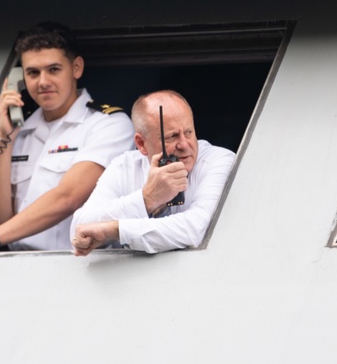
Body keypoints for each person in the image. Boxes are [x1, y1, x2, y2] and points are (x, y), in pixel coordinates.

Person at [0, 22, 135, 280]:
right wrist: (6, 140)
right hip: (16, 269)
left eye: (53, 69)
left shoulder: (108, 124)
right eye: (33, 73)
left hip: (81, 271)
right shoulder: (21, 131)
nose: (43, 82)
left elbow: (67, 197)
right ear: (21, 79)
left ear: (76, 68)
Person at [70, 90, 235, 255]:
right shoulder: (124, 166)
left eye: (189, 132)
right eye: (172, 136)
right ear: (141, 144)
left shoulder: (218, 160)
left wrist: (117, 229)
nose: (184, 145)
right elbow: (79, 231)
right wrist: (147, 198)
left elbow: (196, 229)